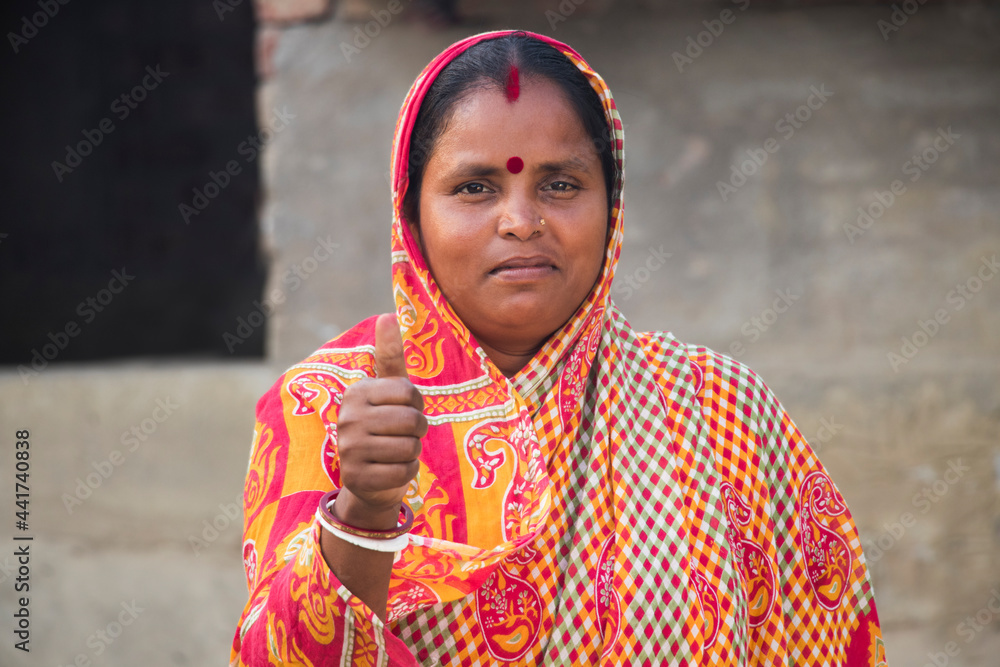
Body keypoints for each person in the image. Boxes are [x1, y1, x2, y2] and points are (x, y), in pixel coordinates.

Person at [230, 30, 887, 666]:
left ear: (613, 203)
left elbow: (824, 642)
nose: (521, 220)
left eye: (561, 184)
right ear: (411, 214)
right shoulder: (326, 404)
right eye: (475, 187)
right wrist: (360, 514)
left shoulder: (721, 410)